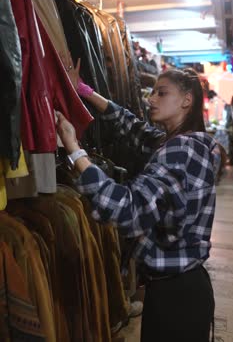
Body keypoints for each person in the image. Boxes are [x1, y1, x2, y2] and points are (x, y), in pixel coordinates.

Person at [57, 66, 220, 342]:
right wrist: (84, 91)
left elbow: (128, 211)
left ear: (187, 100)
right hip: (183, 287)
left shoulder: (180, 151)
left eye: (161, 92)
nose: (150, 99)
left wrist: (74, 149)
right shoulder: (179, 143)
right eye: (153, 92)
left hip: (177, 296)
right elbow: (131, 126)